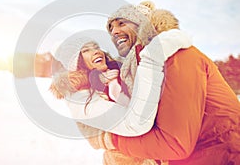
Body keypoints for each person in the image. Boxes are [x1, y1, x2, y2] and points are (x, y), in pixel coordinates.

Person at [85, 1, 240, 164]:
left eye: (121, 23)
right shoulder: (140, 70)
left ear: (141, 24)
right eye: (110, 28)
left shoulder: (176, 56)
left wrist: (108, 140)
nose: (114, 32)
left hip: (224, 155)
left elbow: (175, 143)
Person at [50, 29, 191, 137]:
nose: (96, 52)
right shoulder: (80, 99)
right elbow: (135, 123)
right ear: (76, 64)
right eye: (86, 50)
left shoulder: (119, 68)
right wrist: (151, 60)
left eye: (96, 47)